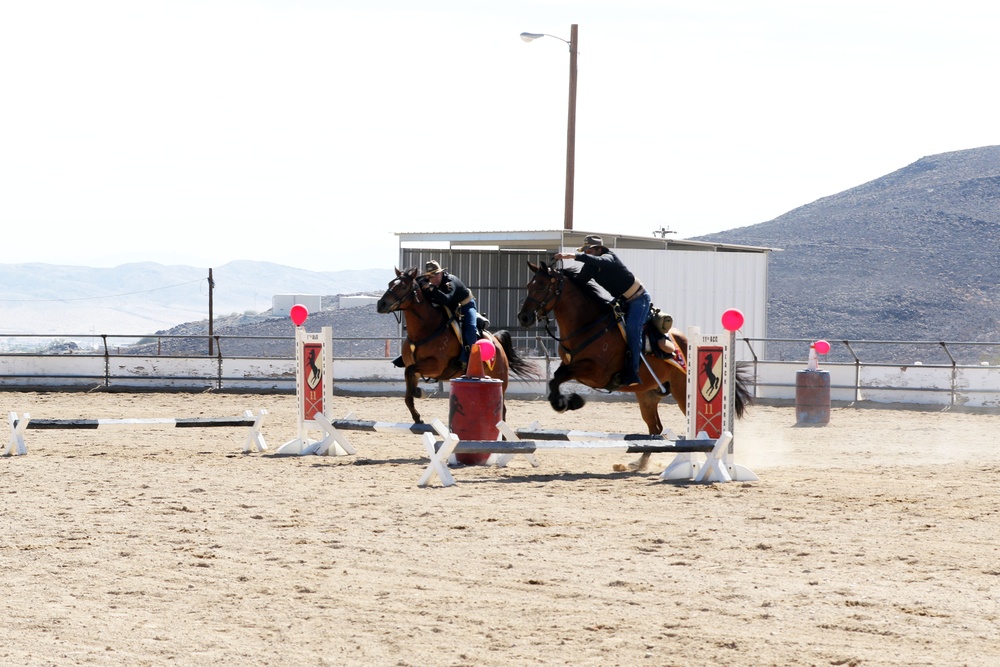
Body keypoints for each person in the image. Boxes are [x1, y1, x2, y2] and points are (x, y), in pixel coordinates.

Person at [554, 235, 651, 386]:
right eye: (584, 250)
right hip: (622, 301)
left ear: (599, 249)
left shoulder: (610, 257)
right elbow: (578, 284)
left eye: (588, 250)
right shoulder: (591, 266)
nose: (586, 253)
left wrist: (574, 256)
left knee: (633, 328)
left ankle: (633, 372)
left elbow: (600, 261)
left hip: (639, 299)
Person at [419, 260, 481, 364]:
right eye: (430, 277)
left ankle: (474, 360)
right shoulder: (430, 283)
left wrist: (430, 287)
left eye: (436, 275)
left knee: (470, 328)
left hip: (465, 305)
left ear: (441, 273)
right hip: (448, 307)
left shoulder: (451, 281)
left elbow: (446, 299)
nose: (434, 279)